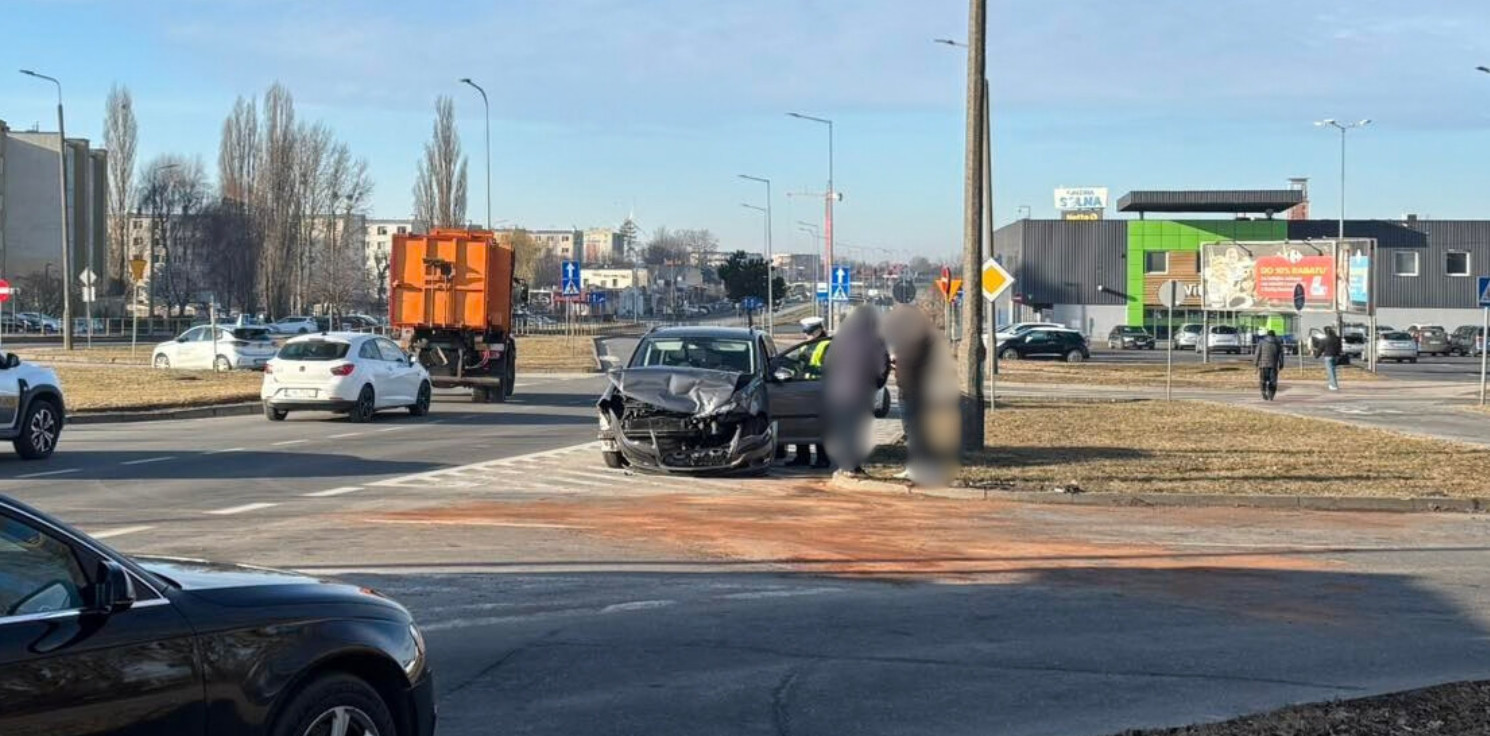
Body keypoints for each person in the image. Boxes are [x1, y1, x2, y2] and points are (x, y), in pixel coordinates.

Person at [823, 306, 890, 476]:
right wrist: (877, 384)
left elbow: (828, 364)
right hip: (861, 392)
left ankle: (846, 465)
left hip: (838, 393)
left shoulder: (840, 339)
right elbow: (883, 366)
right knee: (857, 430)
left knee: (843, 429)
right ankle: (852, 466)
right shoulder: (875, 340)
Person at [884, 304, 934, 479]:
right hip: (911, 389)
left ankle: (919, 467)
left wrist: (898, 361)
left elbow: (913, 364)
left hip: (912, 390)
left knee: (914, 430)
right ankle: (921, 466)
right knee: (915, 429)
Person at [789, 317, 832, 468]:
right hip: (803, 389)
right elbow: (799, 361)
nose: (806, 335)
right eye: (805, 332)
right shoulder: (806, 345)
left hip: (820, 390)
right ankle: (802, 457)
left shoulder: (828, 345)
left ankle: (823, 458)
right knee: (800, 424)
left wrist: (809, 369)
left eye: (809, 332)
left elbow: (831, 369)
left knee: (819, 426)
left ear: (819, 330)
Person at [1254, 329, 1285, 401]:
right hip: (1273, 365)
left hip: (1263, 365)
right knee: (1273, 381)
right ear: (1274, 335)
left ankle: (1263, 392)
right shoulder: (1277, 343)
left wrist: (1256, 363)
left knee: (1263, 380)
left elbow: (1257, 353)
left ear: (1267, 335)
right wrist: (1281, 364)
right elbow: (1281, 355)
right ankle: (1271, 395)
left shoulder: (1261, 342)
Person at [1314, 326, 1343, 391]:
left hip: (1328, 356)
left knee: (1330, 371)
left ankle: (1333, 385)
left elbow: (1320, 349)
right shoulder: (1337, 339)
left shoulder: (1324, 340)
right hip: (1336, 356)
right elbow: (1340, 348)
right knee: (1333, 370)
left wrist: (1316, 355)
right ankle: (1331, 384)